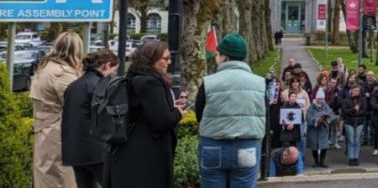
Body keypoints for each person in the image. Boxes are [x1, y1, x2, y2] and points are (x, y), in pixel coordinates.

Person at [105, 41, 184, 188]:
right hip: (147, 152)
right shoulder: (150, 82)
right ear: (152, 59)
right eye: (165, 59)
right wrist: (178, 113)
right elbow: (162, 121)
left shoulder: (134, 77)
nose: (169, 62)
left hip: (129, 148)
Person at [196, 33, 266, 188]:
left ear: (225, 57)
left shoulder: (208, 82)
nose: (215, 57)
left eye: (217, 54)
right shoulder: (260, 83)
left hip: (212, 145)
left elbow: (199, 114)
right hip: (247, 145)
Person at [31, 31, 83, 188]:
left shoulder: (45, 66)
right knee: (59, 176)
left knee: (45, 173)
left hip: (43, 127)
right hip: (57, 130)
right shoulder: (63, 73)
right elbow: (75, 103)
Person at [62, 48, 118, 188]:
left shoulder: (73, 86)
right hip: (97, 150)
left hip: (74, 149)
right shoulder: (101, 85)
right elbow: (105, 117)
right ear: (106, 65)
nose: (113, 74)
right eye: (113, 69)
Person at [307, 88, 335, 168]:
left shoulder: (326, 106)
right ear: (316, 98)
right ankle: (316, 161)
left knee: (323, 146)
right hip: (314, 130)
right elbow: (308, 118)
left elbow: (330, 114)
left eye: (322, 99)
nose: (321, 100)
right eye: (319, 99)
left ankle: (322, 161)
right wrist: (316, 119)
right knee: (314, 146)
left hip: (323, 128)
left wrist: (326, 118)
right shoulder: (311, 107)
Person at [341, 84, 367, 166]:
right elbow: (345, 111)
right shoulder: (346, 100)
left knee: (357, 141)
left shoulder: (362, 100)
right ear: (352, 91)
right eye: (355, 90)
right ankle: (351, 158)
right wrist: (354, 110)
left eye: (358, 91)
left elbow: (364, 110)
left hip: (359, 122)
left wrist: (357, 113)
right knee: (351, 141)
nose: (357, 92)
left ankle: (356, 157)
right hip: (349, 123)